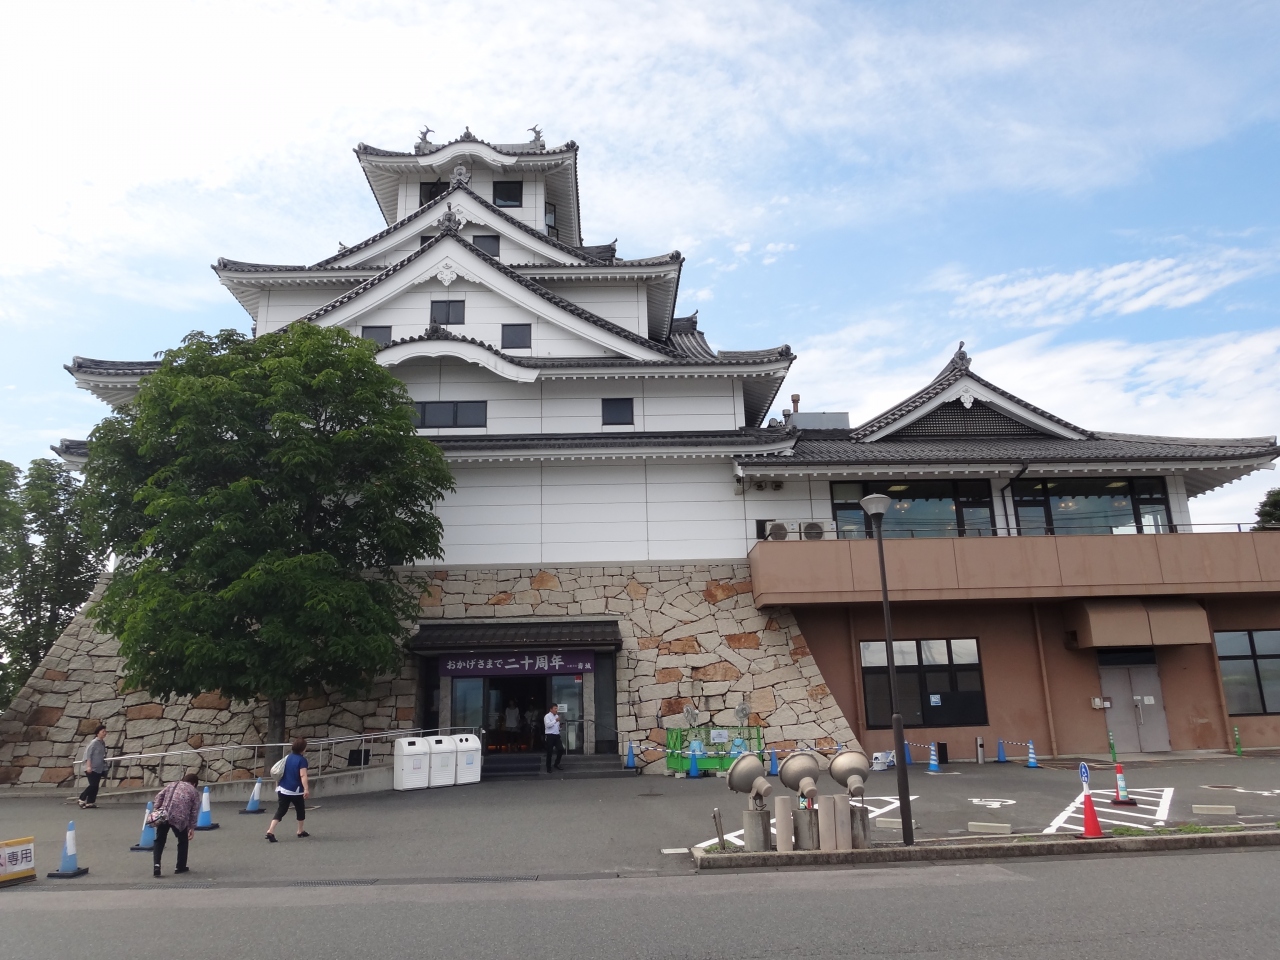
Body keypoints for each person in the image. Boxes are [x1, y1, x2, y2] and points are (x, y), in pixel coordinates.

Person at [150, 773, 201, 877]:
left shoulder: (172, 784)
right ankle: (180, 867)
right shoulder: (194, 792)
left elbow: (159, 796)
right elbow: (194, 811)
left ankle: (156, 866)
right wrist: (191, 827)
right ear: (194, 784)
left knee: (160, 840)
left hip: (164, 814)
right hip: (179, 818)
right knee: (183, 840)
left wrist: (156, 809)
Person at [266, 737, 310, 842]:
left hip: (282, 788)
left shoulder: (287, 757)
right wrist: (306, 789)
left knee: (281, 810)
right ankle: (300, 830)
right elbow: (303, 775)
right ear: (303, 749)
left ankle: (270, 830)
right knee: (300, 809)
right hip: (295, 790)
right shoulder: (302, 760)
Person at [78, 724, 108, 808]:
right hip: (91, 767)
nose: (105, 733)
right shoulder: (94, 743)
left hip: (99, 767)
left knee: (96, 786)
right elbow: (88, 755)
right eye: (103, 731)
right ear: (98, 733)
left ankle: (90, 802)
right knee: (93, 785)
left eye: (105, 731)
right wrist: (88, 766)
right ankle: (82, 798)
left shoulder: (102, 743)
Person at [543, 703, 564, 773]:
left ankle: (556, 763)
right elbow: (548, 725)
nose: (556, 710)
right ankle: (548, 767)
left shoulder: (557, 716)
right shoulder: (547, 716)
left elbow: (556, 726)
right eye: (555, 708)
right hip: (550, 735)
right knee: (550, 752)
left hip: (556, 735)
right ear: (551, 709)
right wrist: (555, 720)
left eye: (557, 708)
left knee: (561, 749)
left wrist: (560, 727)